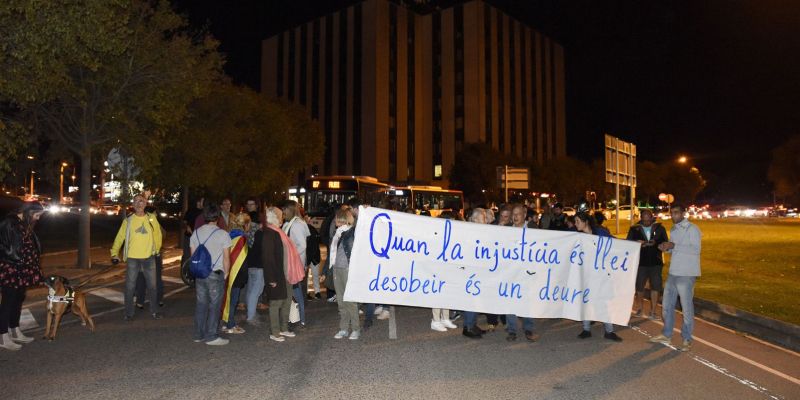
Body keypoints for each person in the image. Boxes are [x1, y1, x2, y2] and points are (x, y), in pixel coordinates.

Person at [650, 205, 702, 352]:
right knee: (666, 307)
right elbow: (676, 249)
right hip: (673, 273)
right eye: (671, 213)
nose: (673, 216)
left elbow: (696, 249)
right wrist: (667, 248)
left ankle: (687, 339)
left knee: (686, 308)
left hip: (687, 274)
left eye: (676, 213)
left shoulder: (692, 229)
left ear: (683, 213)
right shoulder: (674, 229)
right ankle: (667, 334)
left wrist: (674, 245)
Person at [0, 202, 45, 350]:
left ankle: (15, 330)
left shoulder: (23, 224)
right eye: (36, 215)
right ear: (29, 211)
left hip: (23, 270)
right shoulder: (9, 223)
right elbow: (4, 246)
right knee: (8, 302)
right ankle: (3, 336)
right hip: (11, 269)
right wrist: (14, 259)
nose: (37, 219)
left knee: (18, 300)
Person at [111, 194, 163, 321]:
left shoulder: (152, 219)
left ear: (146, 203)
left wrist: (156, 250)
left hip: (149, 257)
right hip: (132, 258)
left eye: (142, 201)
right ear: (133, 204)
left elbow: (158, 235)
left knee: (152, 286)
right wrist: (114, 253)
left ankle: (155, 311)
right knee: (130, 287)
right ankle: (128, 313)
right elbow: (119, 237)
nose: (140, 203)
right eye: (137, 201)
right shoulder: (128, 221)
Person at [574, 212, 623, 342]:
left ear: (586, 222)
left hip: (601, 274)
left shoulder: (600, 232)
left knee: (602, 302)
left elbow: (613, 243)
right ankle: (586, 329)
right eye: (575, 221)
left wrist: (632, 244)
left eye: (578, 221)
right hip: (586, 274)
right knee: (586, 302)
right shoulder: (578, 237)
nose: (576, 224)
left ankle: (609, 331)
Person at [190, 202, 232, 345]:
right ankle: (211, 336)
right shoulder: (223, 234)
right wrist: (226, 273)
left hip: (200, 273)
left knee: (201, 303)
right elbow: (226, 257)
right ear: (218, 217)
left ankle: (198, 334)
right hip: (215, 273)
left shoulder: (195, 233)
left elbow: (193, 256)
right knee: (214, 305)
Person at [504, 204, 539, 342]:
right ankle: (512, 330)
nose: (515, 217)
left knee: (527, 301)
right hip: (511, 273)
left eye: (518, 214)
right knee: (510, 301)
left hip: (527, 273)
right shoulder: (507, 230)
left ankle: (528, 328)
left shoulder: (533, 229)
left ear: (524, 215)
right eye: (513, 214)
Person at [626, 209, 668, 319]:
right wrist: (638, 244)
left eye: (648, 220)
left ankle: (653, 311)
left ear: (652, 218)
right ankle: (640, 309)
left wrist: (656, 243)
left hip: (656, 262)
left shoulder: (660, 228)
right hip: (640, 262)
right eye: (643, 220)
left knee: (656, 286)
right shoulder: (634, 229)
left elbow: (665, 242)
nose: (646, 222)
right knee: (639, 287)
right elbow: (628, 244)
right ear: (641, 218)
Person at [262, 207, 293, 342]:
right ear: (274, 217)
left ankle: (284, 328)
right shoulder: (269, 233)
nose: (283, 217)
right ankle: (275, 331)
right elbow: (268, 258)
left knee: (286, 301)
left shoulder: (279, 231)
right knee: (276, 303)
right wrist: (271, 279)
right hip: (276, 274)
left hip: (286, 272)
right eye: (280, 215)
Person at [330, 208, 361, 340]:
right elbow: (333, 253)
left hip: (348, 270)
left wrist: (363, 211)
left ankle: (355, 329)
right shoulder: (337, 233)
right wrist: (328, 271)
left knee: (350, 301)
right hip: (337, 269)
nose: (335, 221)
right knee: (341, 301)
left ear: (342, 219)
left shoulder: (353, 231)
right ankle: (343, 328)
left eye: (337, 218)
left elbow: (363, 226)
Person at [281, 200, 310, 327]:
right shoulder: (290, 224)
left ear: (290, 210)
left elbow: (302, 246)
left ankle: (301, 318)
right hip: (292, 263)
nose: (283, 212)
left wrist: (291, 257)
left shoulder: (297, 225)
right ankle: (296, 317)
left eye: (284, 210)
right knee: (293, 291)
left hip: (294, 264)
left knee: (296, 291)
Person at [221, 213, 250, 335]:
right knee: (233, 300)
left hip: (226, 271)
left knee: (226, 299)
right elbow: (242, 262)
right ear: (246, 225)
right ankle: (230, 325)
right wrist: (244, 277)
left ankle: (227, 321)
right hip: (236, 274)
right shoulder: (241, 239)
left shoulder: (229, 235)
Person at [462, 208, 488, 339]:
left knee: (476, 300)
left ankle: (472, 324)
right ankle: (468, 327)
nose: (486, 220)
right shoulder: (471, 232)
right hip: (471, 271)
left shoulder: (480, 232)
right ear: (476, 219)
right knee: (472, 299)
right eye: (484, 217)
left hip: (478, 270)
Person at [430, 212, 458, 332]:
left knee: (447, 292)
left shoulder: (451, 233)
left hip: (448, 268)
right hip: (437, 268)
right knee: (437, 293)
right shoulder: (437, 233)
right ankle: (435, 321)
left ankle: (445, 318)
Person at [134, 205, 166, 310]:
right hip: (154, 255)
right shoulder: (155, 223)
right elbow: (163, 235)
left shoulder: (140, 223)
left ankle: (140, 301)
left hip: (142, 255)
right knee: (156, 279)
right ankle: (159, 299)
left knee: (142, 278)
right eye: (155, 213)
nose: (157, 215)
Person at [181, 197, 204, 270]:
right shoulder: (190, 211)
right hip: (189, 236)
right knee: (187, 255)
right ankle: (185, 271)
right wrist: (187, 226)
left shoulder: (204, 212)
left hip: (200, 238)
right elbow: (184, 222)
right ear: (198, 202)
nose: (203, 203)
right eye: (202, 201)